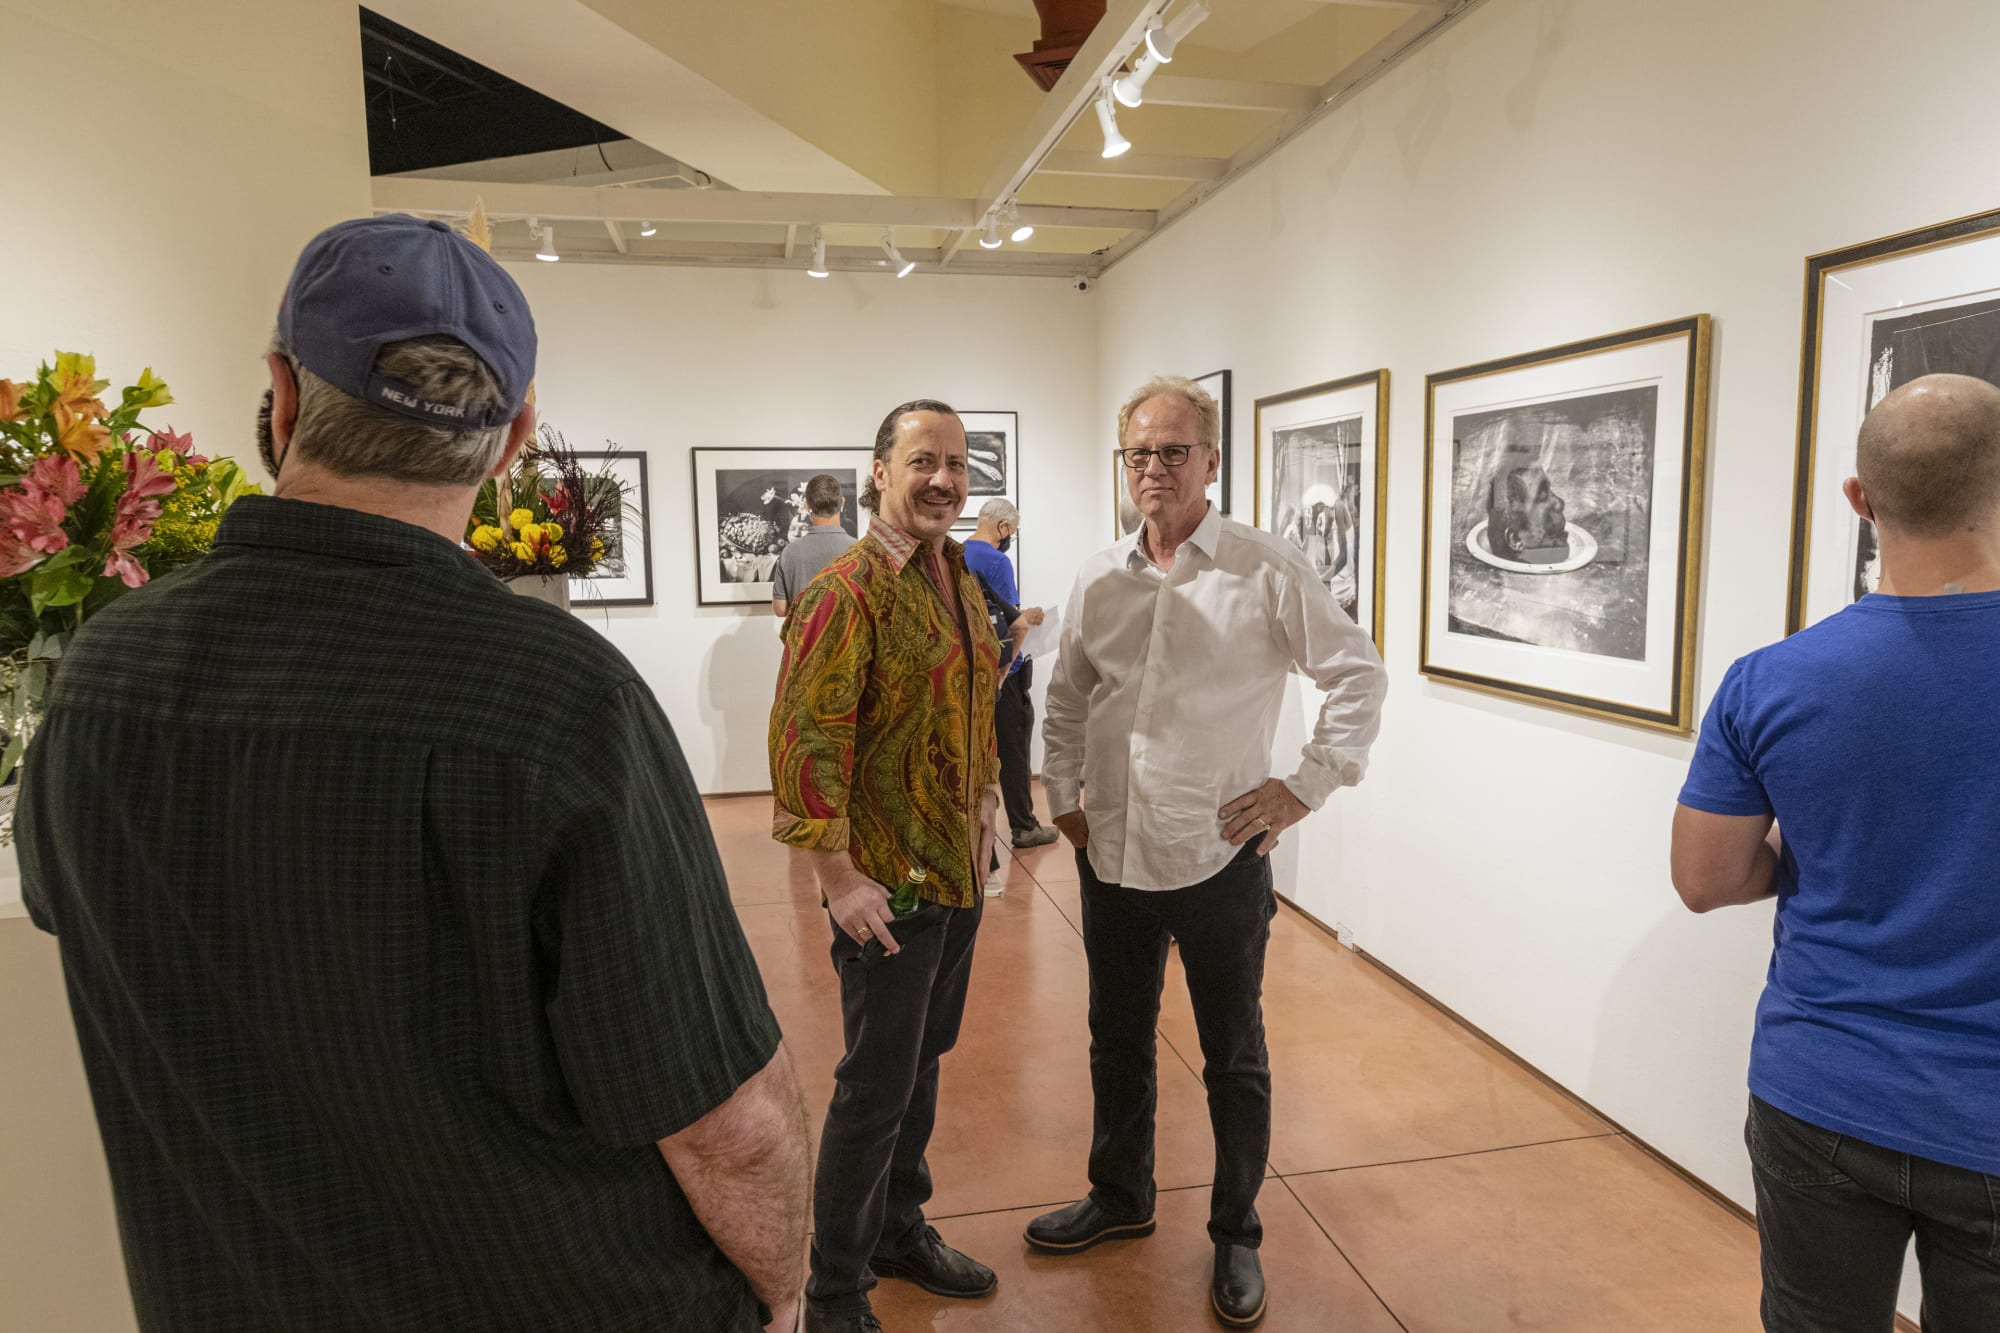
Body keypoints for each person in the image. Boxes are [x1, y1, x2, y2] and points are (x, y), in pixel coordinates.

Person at [17, 215, 810, 1333]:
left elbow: (74, 914)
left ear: (284, 397)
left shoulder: (104, 674)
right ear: (513, 437)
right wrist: (785, 1293)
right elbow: (725, 1119)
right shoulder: (557, 698)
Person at [1030, 375, 1387, 1329]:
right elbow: (1065, 699)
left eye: (1173, 452)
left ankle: (1236, 1231)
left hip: (1219, 855)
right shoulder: (1099, 575)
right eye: (1139, 453)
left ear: (1211, 463)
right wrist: (1064, 801)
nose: (1154, 469)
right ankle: (1121, 1195)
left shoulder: (1265, 569)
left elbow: (1356, 674)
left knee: (1233, 1054)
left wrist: (1303, 786)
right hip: (1112, 854)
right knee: (1116, 1038)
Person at [1673, 372, 2000, 1332]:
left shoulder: (1770, 681)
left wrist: (1818, 858)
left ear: (1858, 500)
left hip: (1821, 1087)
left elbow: (1706, 879)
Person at [769, 400, 1006, 1333]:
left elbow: (975, 702)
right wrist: (836, 880)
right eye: (922, 461)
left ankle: (900, 1227)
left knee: (924, 1062)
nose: (943, 478)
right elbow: (803, 742)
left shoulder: (953, 574)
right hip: (887, 893)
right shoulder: (846, 590)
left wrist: (988, 800)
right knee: (873, 1088)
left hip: (955, 873)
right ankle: (833, 1294)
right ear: (878, 471)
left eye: (955, 463)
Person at [962, 497, 1059, 849]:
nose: (1009, 538)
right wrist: (1011, 664)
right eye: (1011, 532)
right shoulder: (997, 561)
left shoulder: (957, 554)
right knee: (1014, 749)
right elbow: (1011, 624)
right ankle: (1025, 825)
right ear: (1002, 528)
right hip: (1004, 671)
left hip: (970, 671)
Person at [772, 472, 855, 627]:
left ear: (807, 506)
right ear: (842, 503)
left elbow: (780, 609)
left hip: (804, 646)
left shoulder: (790, 552)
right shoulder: (858, 550)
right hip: (847, 647)